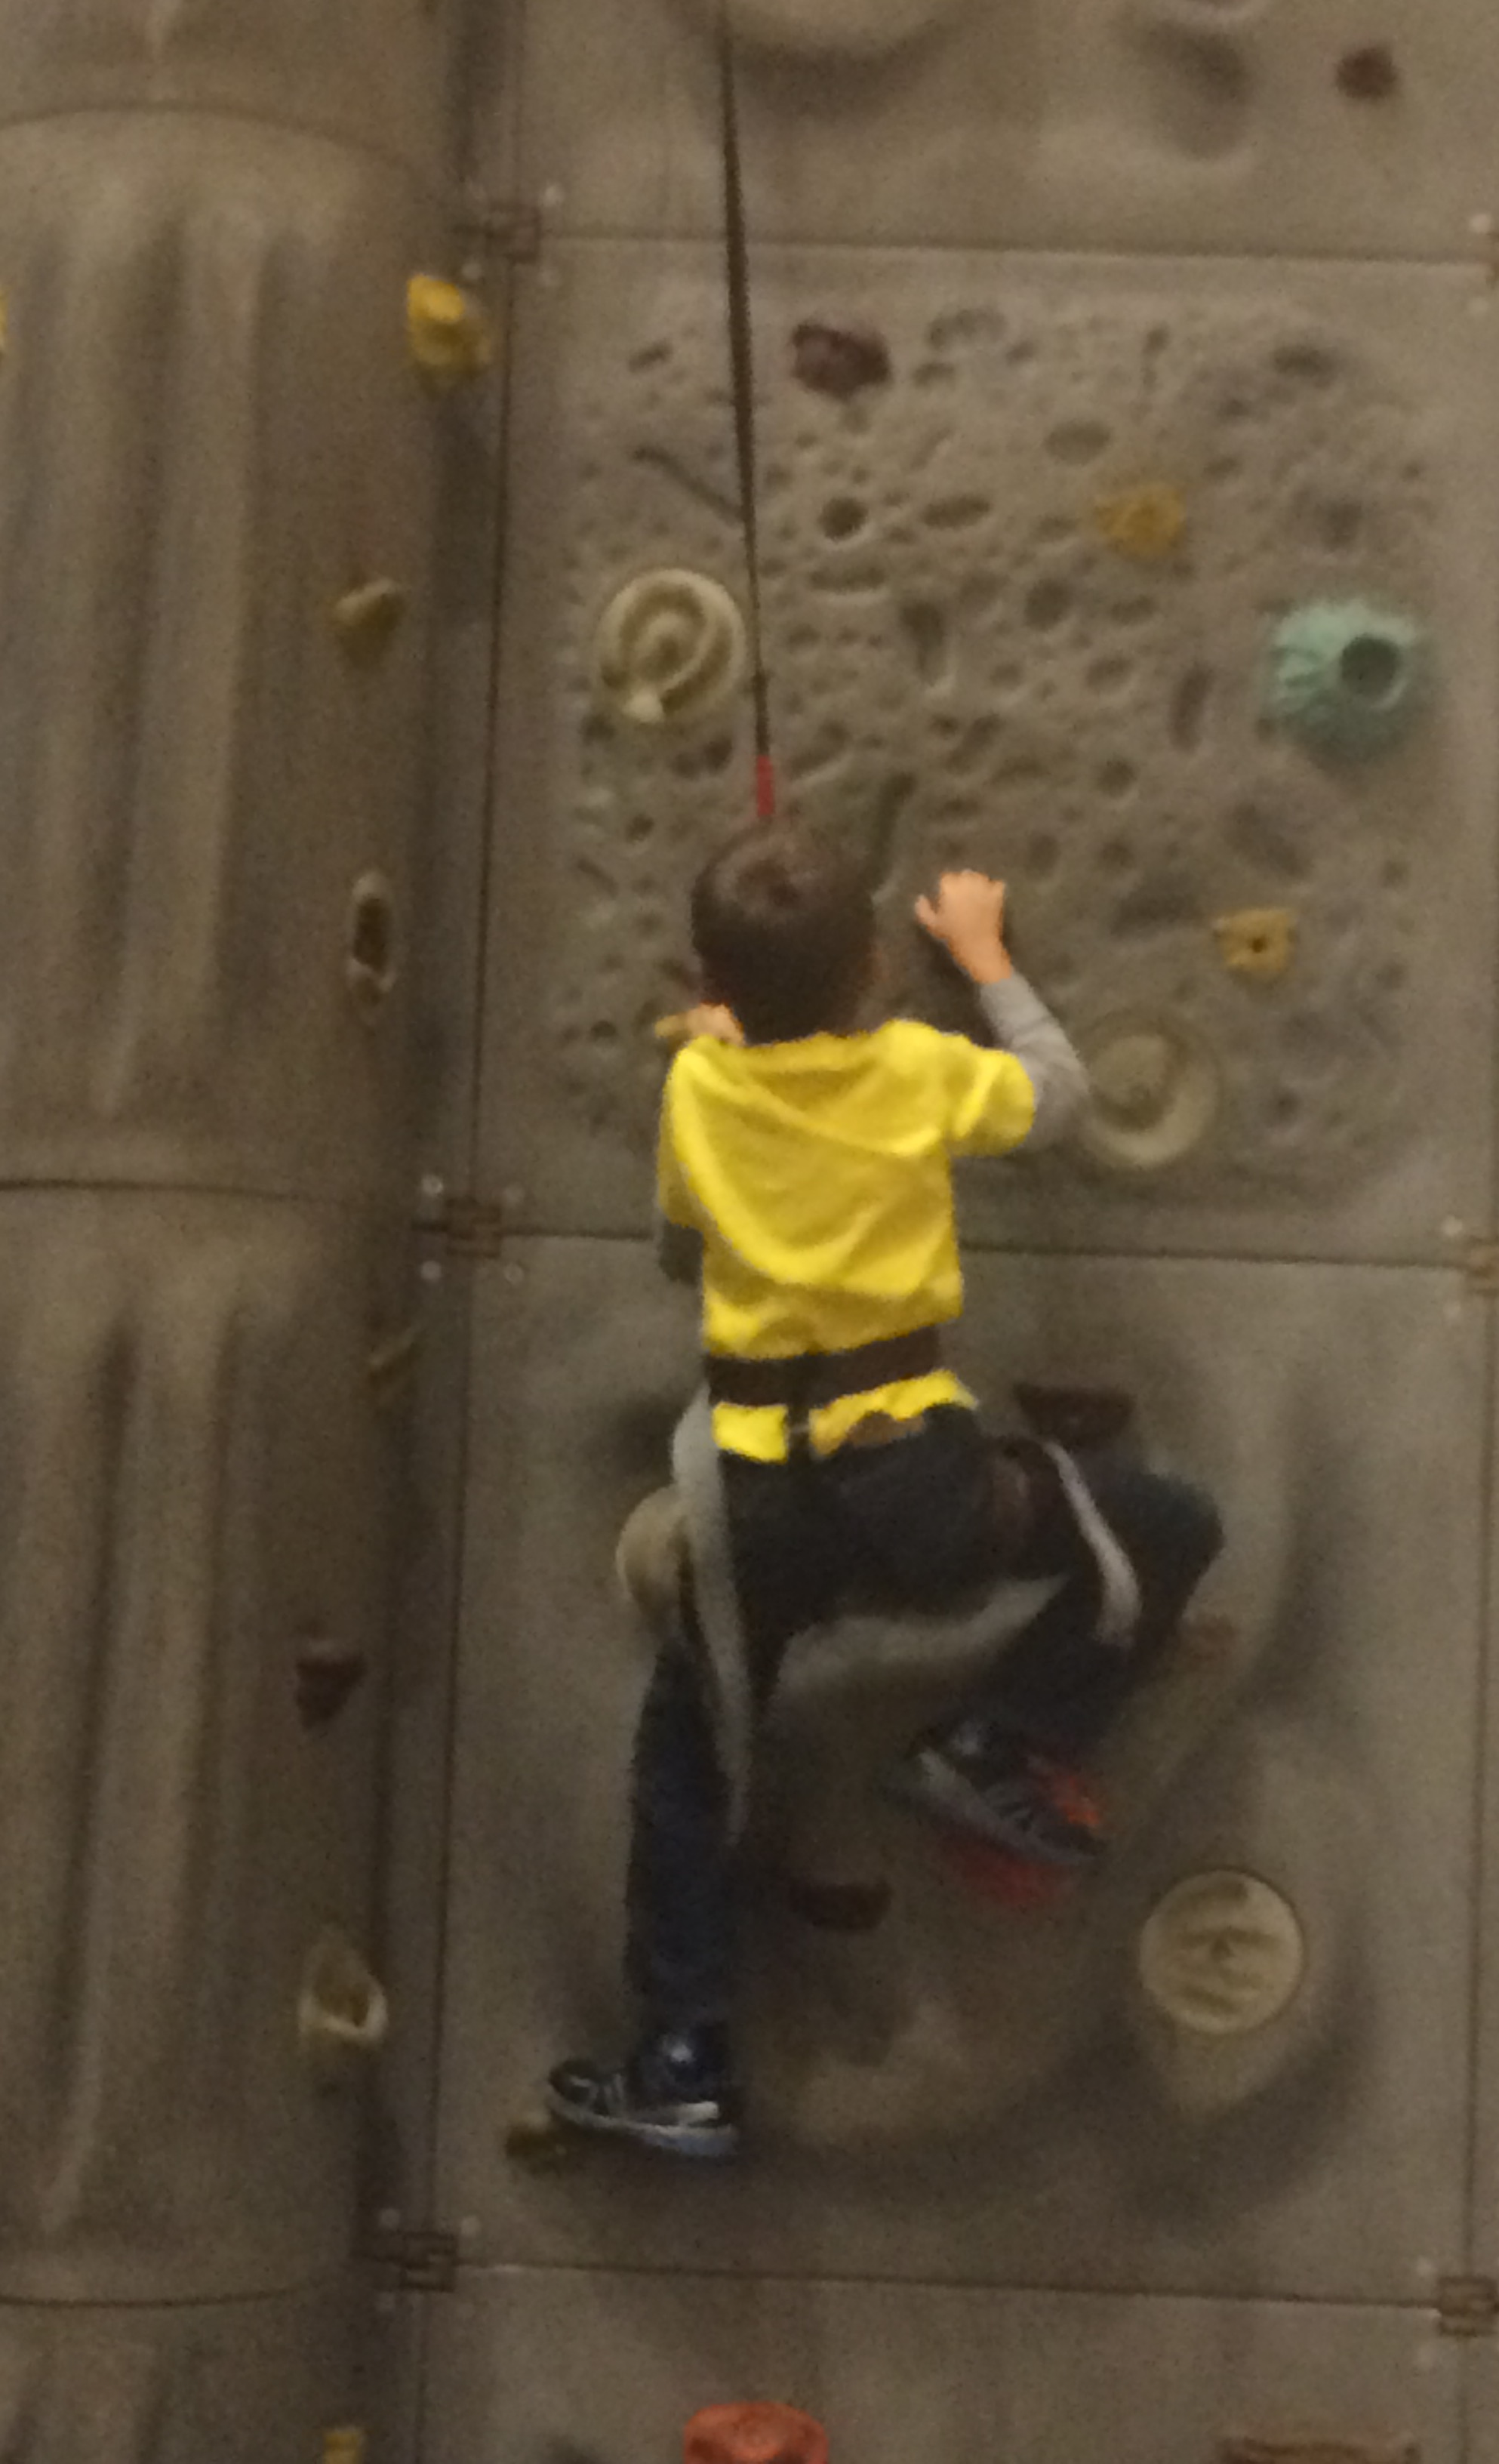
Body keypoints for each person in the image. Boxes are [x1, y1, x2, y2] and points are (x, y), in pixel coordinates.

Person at [546, 827, 1223, 2158]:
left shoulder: (697, 1088)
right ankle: (1000, 1742)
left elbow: (681, 1250)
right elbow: (1057, 1095)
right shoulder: (913, 1068)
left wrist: (728, 1071)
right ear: (870, 967)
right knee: (1163, 1530)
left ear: (710, 981)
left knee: (687, 1762)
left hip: (753, 1504)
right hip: (919, 1483)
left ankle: (684, 2057)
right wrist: (983, 958)